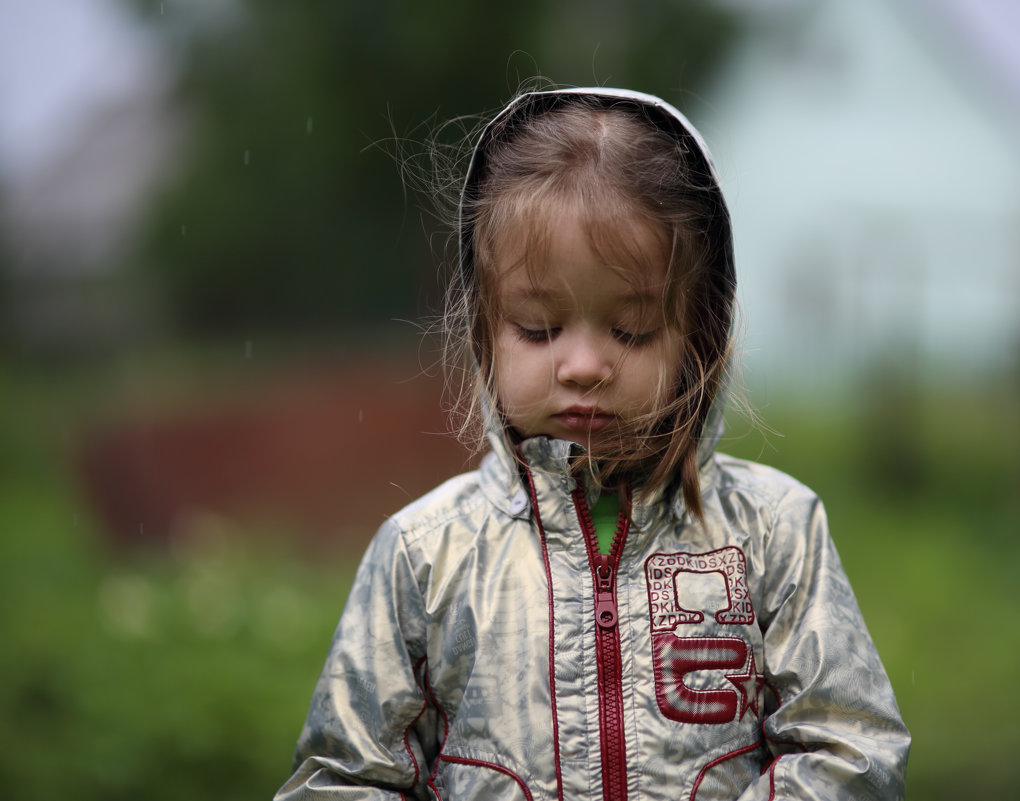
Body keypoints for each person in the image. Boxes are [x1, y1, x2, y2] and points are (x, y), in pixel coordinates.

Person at [275, 87, 910, 801]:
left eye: (631, 330)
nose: (582, 366)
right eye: (539, 329)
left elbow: (851, 748)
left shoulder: (775, 531)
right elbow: (343, 778)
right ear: (483, 329)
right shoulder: (426, 552)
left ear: (698, 338)